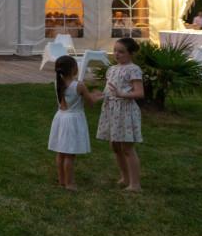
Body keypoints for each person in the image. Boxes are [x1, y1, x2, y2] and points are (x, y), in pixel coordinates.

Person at [97, 37, 146, 192]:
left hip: (125, 111)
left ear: (131, 53)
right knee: (115, 146)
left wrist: (121, 94)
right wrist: (99, 95)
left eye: (121, 52)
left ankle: (135, 184)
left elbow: (139, 93)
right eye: (115, 51)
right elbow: (109, 89)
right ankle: (125, 178)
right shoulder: (111, 69)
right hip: (112, 110)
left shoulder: (133, 69)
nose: (117, 54)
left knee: (127, 147)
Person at [49, 54, 98, 190]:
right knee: (70, 153)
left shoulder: (57, 83)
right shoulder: (79, 85)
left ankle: (62, 181)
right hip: (73, 120)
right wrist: (99, 96)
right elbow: (91, 103)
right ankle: (70, 183)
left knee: (60, 152)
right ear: (73, 69)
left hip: (61, 117)